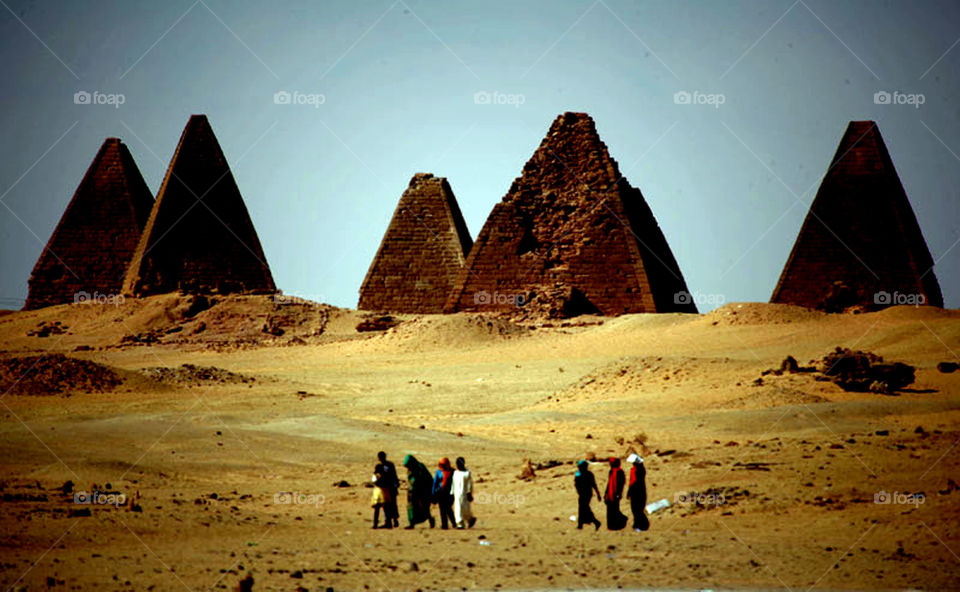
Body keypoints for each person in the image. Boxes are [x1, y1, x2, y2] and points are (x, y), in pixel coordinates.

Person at [402, 454, 435, 529]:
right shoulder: (411, 469)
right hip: (412, 492)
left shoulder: (420, 467)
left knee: (424, 507)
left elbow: (426, 479)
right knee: (411, 507)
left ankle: (430, 520)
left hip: (422, 491)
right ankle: (411, 523)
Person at [574, 460, 601, 530]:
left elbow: (593, 484)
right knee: (583, 508)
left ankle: (593, 522)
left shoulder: (588, 474)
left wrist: (598, 493)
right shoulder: (581, 474)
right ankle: (582, 523)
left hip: (587, 494)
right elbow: (576, 483)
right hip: (583, 493)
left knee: (584, 508)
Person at [625, 453, 649, 532]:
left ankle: (639, 525)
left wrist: (630, 491)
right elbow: (632, 482)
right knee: (636, 509)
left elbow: (634, 482)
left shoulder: (638, 470)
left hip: (637, 491)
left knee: (637, 509)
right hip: (638, 491)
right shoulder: (637, 469)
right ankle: (638, 525)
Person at [376, 452, 400, 528]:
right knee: (387, 505)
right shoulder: (379, 466)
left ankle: (394, 520)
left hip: (390, 487)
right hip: (384, 488)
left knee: (392, 504)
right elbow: (376, 476)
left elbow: (394, 475)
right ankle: (389, 521)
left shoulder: (389, 465)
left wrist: (396, 485)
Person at [432, 457, 457, 529]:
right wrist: (433, 494)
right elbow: (435, 483)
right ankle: (444, 524)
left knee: (448, 509)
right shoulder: (438, 472)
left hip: (449, 494)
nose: (442, 466)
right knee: (442, 509)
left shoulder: (453, 472)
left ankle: (454, 522)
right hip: (440, 493)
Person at [604, 457, 628, 530]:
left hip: (615, 493)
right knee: (610, 509)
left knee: (615, 509)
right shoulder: (611, 471)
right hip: (610, 492)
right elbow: (609, 482)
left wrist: (619, 493)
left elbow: (621, 483)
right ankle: (611, 525)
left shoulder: (620, 472)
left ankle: (615, 525)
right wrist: (606, 492)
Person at [451, 456, 475, 529]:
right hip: (457, 494)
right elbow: (453, 483)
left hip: (464, 494)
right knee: (458, 508)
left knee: (465, 508)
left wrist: (469, 493)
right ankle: (460, 524)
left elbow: (469, 484)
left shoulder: (467, 473)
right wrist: (452, 492)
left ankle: (470, 519)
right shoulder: (455, 473)